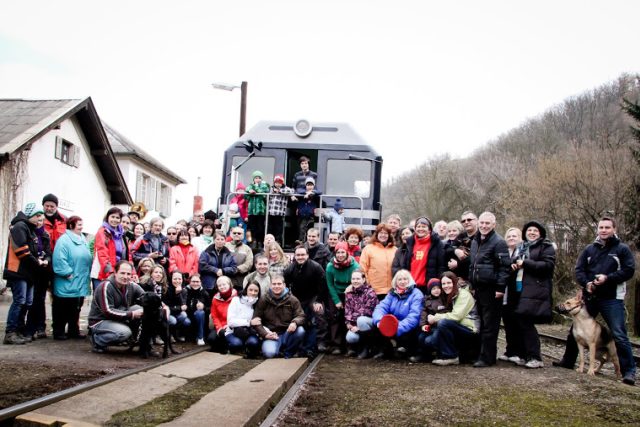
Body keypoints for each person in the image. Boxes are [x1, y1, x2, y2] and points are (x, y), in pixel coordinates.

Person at [555, 216, 636, 385]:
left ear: (614, 229)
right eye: (601, 227)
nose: (604, 230)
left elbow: (629, 270)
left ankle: (629, 372)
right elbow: (579, 270)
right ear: (597, 229)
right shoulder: (589, 250)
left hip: (612, 298)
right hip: (590, 297)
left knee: (619, 334)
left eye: (607, 227)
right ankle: (568, 361)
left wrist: (608, 278)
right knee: (574, 331)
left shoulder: (622, 249)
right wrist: (587, 283)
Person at [508, 221, 556, 369]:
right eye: (529, 230)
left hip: (534, 290)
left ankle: (535, 357)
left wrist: (525, 263)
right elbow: (518, 263)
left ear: (541, 233)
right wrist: (514, 265)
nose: (532, 232)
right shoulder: (522, 247)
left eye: (536, 230)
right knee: (518, 322)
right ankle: (523, 355)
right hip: (519, 288)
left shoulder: (546, 247)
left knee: (526, 322)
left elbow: (548, 266)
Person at [468, 212, 510, 368]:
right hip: (478, 288)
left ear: (494, 224)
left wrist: (500, 288)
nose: (484, 226)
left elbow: (505, 267)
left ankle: (488, 357)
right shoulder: (475, 241)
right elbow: (472, 265)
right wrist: (471, 285)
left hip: (491, 289)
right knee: (480, 323)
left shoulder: (499, 242)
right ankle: (480, 353)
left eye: (488, 223)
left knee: (490, 325)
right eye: (482, 223)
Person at [3, 203, 46, 345]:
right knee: (19, 301)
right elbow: (22, 251)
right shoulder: (21, 226)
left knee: (27, 301)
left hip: (28, 273)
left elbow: (31, 251)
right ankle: (10, 332)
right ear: (30, 215)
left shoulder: (30, 229)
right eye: (37, 215)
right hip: (18, 271)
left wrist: (39, 260)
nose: (39, 218)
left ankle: (19, 330)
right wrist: (37, 262)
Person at [414, 272, 479, 365]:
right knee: (424, 337)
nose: (446, 286)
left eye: (449, 283)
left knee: (443, 323)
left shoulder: (463, 294)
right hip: (458, 326)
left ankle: (451, 356)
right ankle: (431, 354)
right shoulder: (448, 294)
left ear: (454, 282)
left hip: (470, 328)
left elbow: (456, 316)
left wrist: (435, 317)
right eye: (443, 284)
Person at [87, 261, 144, 353]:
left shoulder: (131, 285)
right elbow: (108, 311)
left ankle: (134, 339)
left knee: (139, 308)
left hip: (118, 318)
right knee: (124, 333)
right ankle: (97, 340)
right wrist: (132, 314)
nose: (125, 277)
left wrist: (163, 306)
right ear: (115, 272)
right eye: (122, 273)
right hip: (100, 321)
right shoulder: (105, 286)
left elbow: (147, 296)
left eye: (128, 274)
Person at [51, 216, 92, 340]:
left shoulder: (82, 238)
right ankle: (58, 331)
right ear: (71, 226)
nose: (81, 227)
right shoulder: (63, 240)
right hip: (67, 279)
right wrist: (67, 272)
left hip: (80, 279)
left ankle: (73, 330)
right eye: (79, 224)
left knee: (76, 307)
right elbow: (59, 258)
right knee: (62, 307)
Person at [284, 246, 327, 357]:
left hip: (313, 297)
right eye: (298, 255)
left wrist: (318, 301)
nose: (300, 257)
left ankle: (310, 348)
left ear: (307, 255)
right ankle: (299, 347)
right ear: (294, 256)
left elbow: (323, 285)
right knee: (299, 322)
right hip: (297, 298)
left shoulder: (316, 267)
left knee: (313, 321)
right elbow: (285, 286)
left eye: (303, 255)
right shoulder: (290, 269)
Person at [371, 269, 424, 359]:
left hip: (409, 327)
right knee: (375, 325)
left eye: (405, 279)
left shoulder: (417, 294)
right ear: (396, 282)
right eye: (399, 279)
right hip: (394, 325)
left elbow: (414, 316)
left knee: (413, 331)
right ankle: (385, 351)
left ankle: (407, 349)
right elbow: (380, 308)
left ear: (409, 280)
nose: (402, 282)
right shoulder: (392, 294)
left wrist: (397, 327)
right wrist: (380, 322)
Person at [251, 275, 306, 359]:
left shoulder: (293, 300)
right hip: (271, 334)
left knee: (300, 331)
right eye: (274, 284)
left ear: (284, 285)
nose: (276, 286)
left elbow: (301, 316)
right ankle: (278, 350)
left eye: (279, 284)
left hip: (287, 333)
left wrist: (295, 322)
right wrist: (265, 334)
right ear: (270, 285)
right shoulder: (263, 300)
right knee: (269, 354)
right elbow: (256, 320)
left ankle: (288, 352)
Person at [392, 216, 445, 293]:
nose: (421, 229)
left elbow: (441, 266)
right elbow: (405, 265)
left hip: (429, 286)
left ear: (429, 229)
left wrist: (437, 283)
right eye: (418, 227)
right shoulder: (409, 243)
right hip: (410, 285)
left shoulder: (436, 243)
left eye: (424, 227)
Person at [325, 242, 361, 354]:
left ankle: (350, 346)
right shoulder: (330, 266)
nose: (340, 255)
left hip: (350, 292)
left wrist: (348, 295)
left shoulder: (354, 266)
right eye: (338, 252)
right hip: (335, 292)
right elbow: (330, 284)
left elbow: (357, 282)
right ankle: (336, 345)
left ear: (347, 253)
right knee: (335, 318)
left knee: (350, 318)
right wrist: (336, 301)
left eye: (342, 252)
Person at [498, 227, 525, 365]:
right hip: (505, 292)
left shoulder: (523, 252)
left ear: (520, 238)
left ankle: (519, 352)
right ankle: (510, 350)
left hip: (517, 291)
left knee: (517, 322)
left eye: (514, 236)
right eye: (509, 236)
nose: (511, 238)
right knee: (508, 322)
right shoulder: (504, 252)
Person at [24, 214, 52, 340]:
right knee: (33, 300)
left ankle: (40, 327)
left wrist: (46, 259)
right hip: (32, 270)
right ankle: (30, 329)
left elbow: (48, 252)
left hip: (43, 271)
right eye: (38, 220)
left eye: (41, 220)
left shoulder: (45, 235)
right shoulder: (29, 233)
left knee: (40, 299)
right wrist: (37, 260)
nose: (39, 222)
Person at [344, 269, 378, 359]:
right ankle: (359, 347)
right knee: (350, 337)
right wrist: (350, 325)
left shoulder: (370, 292)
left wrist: (356, 323)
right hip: (356, 323)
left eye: (358, 279)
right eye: (353, 279)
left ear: (363, 280)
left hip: (370, 322)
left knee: (361, 319)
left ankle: (366, 348)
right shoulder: (349, 293)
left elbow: (367, 312)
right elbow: (347, 311)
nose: (355, 281)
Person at [91, 207, 128, 290]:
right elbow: (102, 254)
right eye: (112, 217)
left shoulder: (120, 234)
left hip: (115, 272)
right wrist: (110, 271)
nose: (115, 220)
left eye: (117, 218)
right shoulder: (103, 232)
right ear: (107, 217)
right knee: (101, 299)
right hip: (103, 272)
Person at [360, 224, 397, 300]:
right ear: (376, 234)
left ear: (389, 235)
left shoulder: (395, 250)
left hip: (392, 290)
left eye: (386, 233)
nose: (383, 235)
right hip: (373, 290)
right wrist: (367, 285)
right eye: (381, 233)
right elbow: (363, 269)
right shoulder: (368, 249)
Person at [198, 231, 237, 303]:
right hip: (209, 284)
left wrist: (223, 271)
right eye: (218, 239)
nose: (220, 241)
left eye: (222, 239)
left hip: (224, 285)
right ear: (214, 240)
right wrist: (215, 270)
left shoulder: (229, 254)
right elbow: (202, 266)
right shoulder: (206, 252)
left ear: (225, 241)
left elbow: (234, 268)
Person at [226, 280, 262, 357]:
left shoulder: (258, 304)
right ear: (246, 289)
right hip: (233, 331)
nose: (253, 293)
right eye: (250, 290)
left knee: (253, 343)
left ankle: (246, 348)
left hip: (249, 332)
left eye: (256, 291)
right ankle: (231, 348)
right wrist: (249, 322)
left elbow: (259, 322)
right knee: (236, 344)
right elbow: (230, 321)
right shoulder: (236, 300)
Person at [208, 276, 238, 352]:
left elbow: (239, 314)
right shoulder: (215, 299)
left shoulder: (237, 297)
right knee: (211, 339)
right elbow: (214, 316)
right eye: (219, 285)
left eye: (224, 284)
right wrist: (219, 328)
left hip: (233, 326)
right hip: (221, 325)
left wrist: (229, 325)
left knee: (235, 344)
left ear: (229, 285)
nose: (222, 287)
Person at [448, 211, 478, 281]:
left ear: (476, 221)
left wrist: (458, 264)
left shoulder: (481, 236)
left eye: (469, 220)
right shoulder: (461, 236)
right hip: (460, 279)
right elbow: (449, 249)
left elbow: (478, 257)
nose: (466, 222)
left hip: (476, 277)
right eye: (463, 221)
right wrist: (456, 251)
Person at [267, 174, 294, 245]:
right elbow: (268, 192)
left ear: (282, 183)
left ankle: (278, 242)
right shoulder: (271, 188)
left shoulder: (285, 188)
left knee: (278, 229)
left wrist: (279, 191)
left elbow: (290, 191)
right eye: (276, 183)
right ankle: (269, 241)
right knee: (270, 228)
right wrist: (273, 190)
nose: (278, 184)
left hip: (279, 213)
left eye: (279, 183)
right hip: (271, 212)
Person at [182, 274, 209, 345]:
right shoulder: (185, 291)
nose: (195, 284)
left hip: (199, 319)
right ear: (190, 282)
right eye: (193, 281)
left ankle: (200, 337)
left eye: (197, 282)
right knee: (184, 320)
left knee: (200, 313)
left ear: (201, 282)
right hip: (188, 316)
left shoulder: (205, 293)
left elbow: (210, 308)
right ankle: (184, 335)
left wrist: (204, 307)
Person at [245, 170, 270, 246]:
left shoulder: (265, 186)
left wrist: (255, 189)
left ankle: (260, 242)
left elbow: (264, 195)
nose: (257, 179)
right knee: (252, 227)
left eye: (259, 178)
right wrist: (250, 193)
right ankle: (253, 241)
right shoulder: (249, 186)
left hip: (260, 211)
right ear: (253, 179)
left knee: (260, 228)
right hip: (251, 211)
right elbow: (246, 197)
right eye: (256, 178)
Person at [165, 271, 191, 341]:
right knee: (173, 320)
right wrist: (176, 294)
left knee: (186, 319)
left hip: (177, 312)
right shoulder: (167, 289)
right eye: (175, 279)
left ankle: (176, 334)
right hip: (169, 313)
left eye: (179, 279)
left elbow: (184, 305)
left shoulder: (184, 290)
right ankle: (169, 335)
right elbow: (168, 307)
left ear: (182, 280)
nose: (177, 281)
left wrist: (178, 293)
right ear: (171, 279)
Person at [295, 177, 321, 243]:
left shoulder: (315, 194)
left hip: (310, 215)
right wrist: (306, 193)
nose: (309, 186)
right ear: (305, 185)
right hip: (301, 214)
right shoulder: (301, 193)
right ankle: (302, 241)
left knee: (306, 228)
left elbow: (320, 192)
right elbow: (297, 191)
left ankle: (302, 241)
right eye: (308, 185)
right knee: (300, 227)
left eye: (311, 185)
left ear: (314, 186)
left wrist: (310, 193)